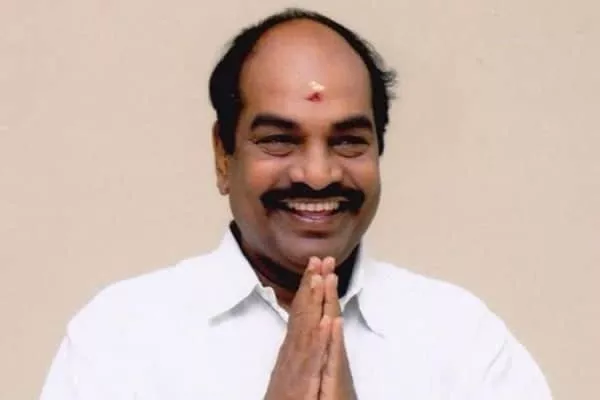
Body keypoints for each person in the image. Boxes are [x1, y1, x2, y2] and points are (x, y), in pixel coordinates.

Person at [40, 8, 553, 399]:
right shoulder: (120, 338)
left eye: (348, 141)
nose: (318, 174)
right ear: (223, 155)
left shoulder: (461, 339)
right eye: (279, 140)